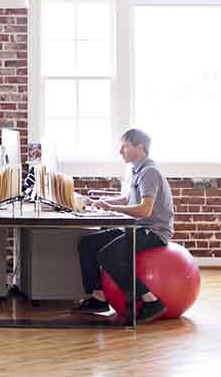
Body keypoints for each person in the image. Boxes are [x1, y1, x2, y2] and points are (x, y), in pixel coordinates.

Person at [72, 128, 174, 323]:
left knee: (108, 255)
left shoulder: (149, 172)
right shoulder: (138, 170)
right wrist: (104, 202)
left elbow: (144, 210)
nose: (120, 151)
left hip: (154, 231)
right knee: (88, 243)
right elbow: (129, 198)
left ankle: (151, 301)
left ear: (140, 147)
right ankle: (98, 298)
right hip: (138, 227)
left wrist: (112, 208)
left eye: (125, 146)